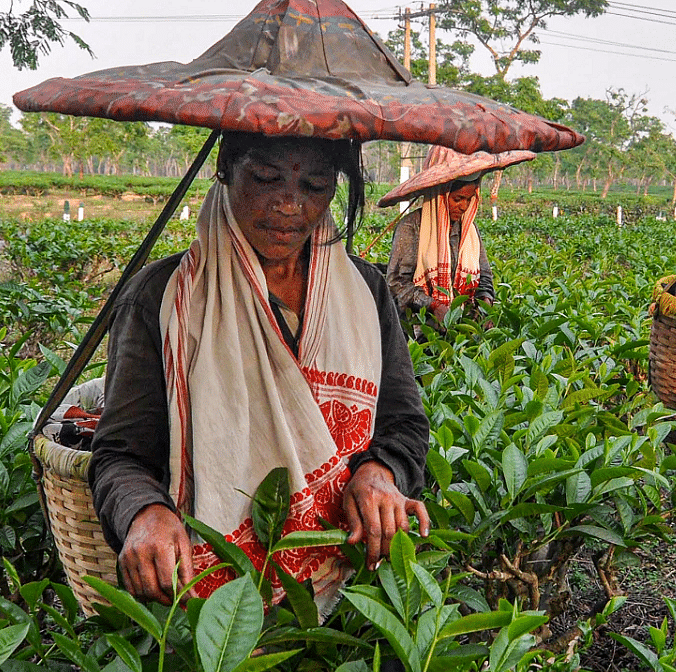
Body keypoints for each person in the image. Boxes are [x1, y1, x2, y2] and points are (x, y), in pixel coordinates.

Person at [88, 131, 431, 611]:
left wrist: (380, 471)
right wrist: (144, 514)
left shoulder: (365, 290)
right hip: (208, 599)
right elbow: (119, 455)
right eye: (267, 178)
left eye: (314, 185)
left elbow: (404, 424)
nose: (290, 206)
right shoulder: (162, 299)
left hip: (350, 580)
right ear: (225, 169)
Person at [382, 145, 535, 328]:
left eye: (468, 200)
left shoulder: (469, 229)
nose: (463, 206)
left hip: (462, 327)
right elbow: (396, 283)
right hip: (419, 328)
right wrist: (433, 305)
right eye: (457, 199)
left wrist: (485, 303)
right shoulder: (412, 227)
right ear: (441, 195)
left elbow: (484, 276)